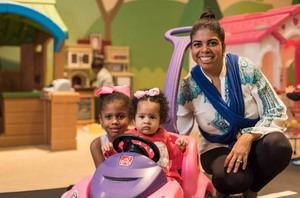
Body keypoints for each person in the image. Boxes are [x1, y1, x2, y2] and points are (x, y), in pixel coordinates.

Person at [176, 9, 292, 198]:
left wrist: (247, 138)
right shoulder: (189, 86)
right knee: (235, 178)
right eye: (198, 44)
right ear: (191, 49)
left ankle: (252, 190)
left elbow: (276, 110)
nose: (204, 50)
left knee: (279, 146)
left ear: (223, 45)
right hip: (215, 148)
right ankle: (225, 187)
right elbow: (179, 130)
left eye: (212, 43)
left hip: (254, 141)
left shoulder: (245, 69)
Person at [127, 88, 188, 183]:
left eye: (152, 117)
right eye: (142, 117)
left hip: (162, 177)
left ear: (160, 121)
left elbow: (173, 158)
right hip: (135, 177)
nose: (146, 121)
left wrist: (179, 147)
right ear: (134, 119)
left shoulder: (164, 136)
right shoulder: (128, 137)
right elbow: (118, 158)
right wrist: (110, 150)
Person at [90, 84, 130, 168]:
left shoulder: (136, 139)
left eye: (121, 116)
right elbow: (102, 173)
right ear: (100, 119)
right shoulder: (97, 145)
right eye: (108, 117)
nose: (114, 121)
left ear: (130, 117)